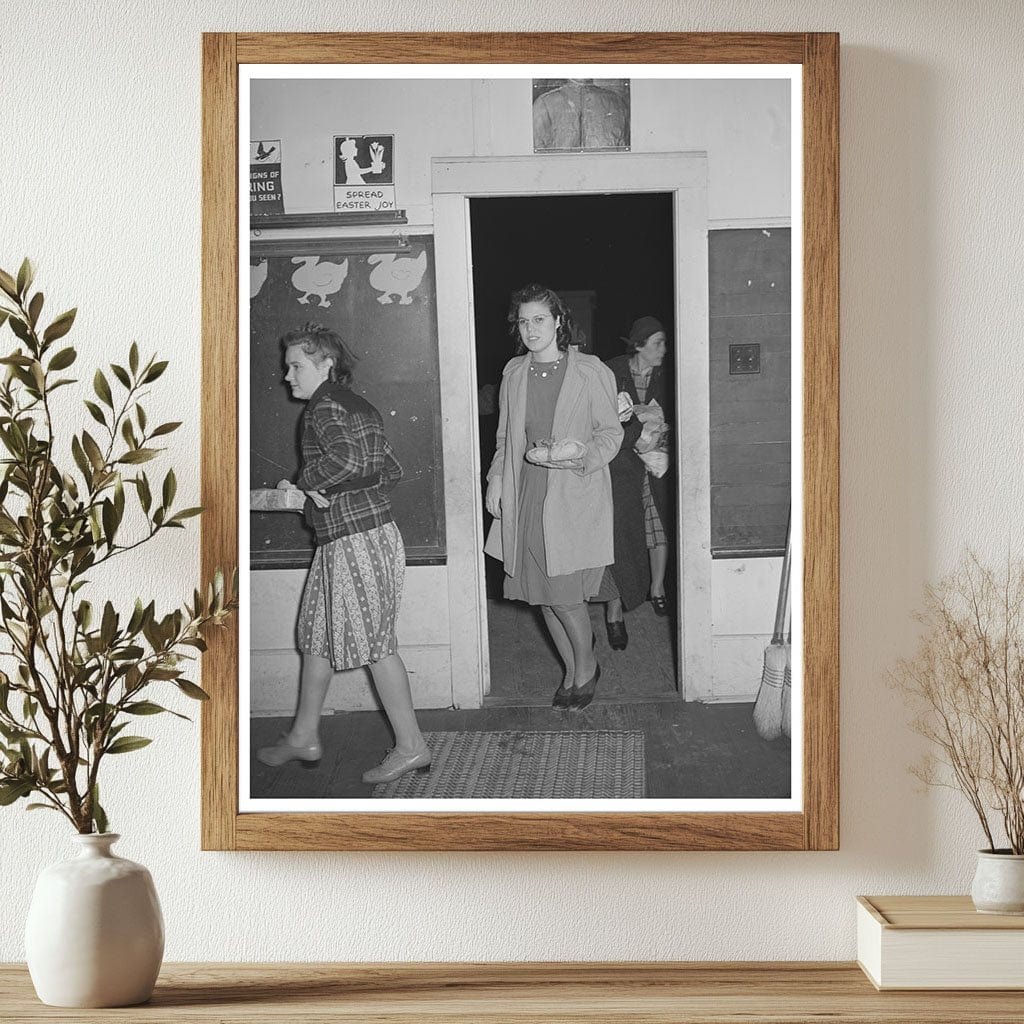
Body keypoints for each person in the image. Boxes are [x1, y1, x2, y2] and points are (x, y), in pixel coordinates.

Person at [256, 322, 430, 785]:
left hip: (356, 541)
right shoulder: (358, 405)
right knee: (316, 634)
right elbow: (387, 469)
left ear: (325, 365)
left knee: (376, 645)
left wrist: (308, 483)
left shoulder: (323, 407)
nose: (287, 375)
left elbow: (350, 462)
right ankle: (304, 735)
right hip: (356, 537)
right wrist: (341, 489)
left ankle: (412, 746)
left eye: (296, 366)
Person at [484, 285, 623, 710]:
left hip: (571, 493)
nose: (531, 329)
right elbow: (506, 436)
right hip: (526, 491)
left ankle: (586, 667)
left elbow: (610, 433)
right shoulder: (513, 373)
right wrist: (495, 480)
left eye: (539, 319)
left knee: (565, 596)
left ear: (559, 321)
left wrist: (581, 457)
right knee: (539, 594)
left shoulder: (589, 371)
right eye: (524, 321)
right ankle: (572, 668)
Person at [602, 316, 673, 650]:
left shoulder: (667, 373)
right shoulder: (612, 370)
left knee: (659, 526)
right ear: (639, 345)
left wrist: (660, 425)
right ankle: (614, 611)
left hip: (657, 461)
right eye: (657, 343)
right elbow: (600, 416)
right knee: (623, 536)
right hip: (621, 464)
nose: (664, 349)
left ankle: (657, 588)